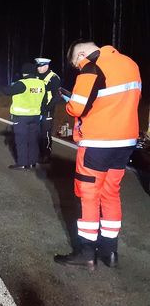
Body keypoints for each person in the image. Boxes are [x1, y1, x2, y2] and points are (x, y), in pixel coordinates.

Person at [54, 40, 141, 269]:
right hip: (125, 141)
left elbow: (77, 108)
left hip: (98, 142)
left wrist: (70, 100)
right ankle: (110, 252)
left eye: (76, 62)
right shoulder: (130, 64)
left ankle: (86, 252)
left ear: (81, 53)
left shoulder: (91, 69)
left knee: (88, 195)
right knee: (111, 193)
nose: (78, 67)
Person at [3, 62, 47, 170]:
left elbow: (6, 91)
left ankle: (22, 163)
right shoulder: (41, 84)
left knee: (21, 140)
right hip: (35, 116)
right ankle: (32, 162)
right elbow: (44, 100)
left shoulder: (22, 83)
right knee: (33, 140)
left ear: (24, 73)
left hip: (21, 116)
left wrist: (12, 85)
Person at [35, 57, 61, 163]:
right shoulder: (37, 77)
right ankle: (38, 153)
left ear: (46, 66)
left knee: (45, 133)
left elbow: (57, 96)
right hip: (36, 110)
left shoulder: (53, 78)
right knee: (37, 133)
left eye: (40, 67)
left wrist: (47, 108)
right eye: (38, 67)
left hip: (47, 111)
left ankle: (46, 155)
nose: (38, 69)